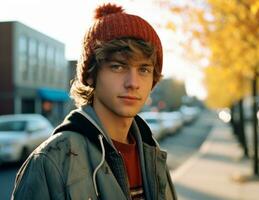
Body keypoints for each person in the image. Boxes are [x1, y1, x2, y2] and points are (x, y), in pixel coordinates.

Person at [11, 2, 177, 200]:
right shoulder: (51, 160)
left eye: (144, 69)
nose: (133, 83)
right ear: (91, 75)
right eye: (118, 66)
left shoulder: (152, 153)